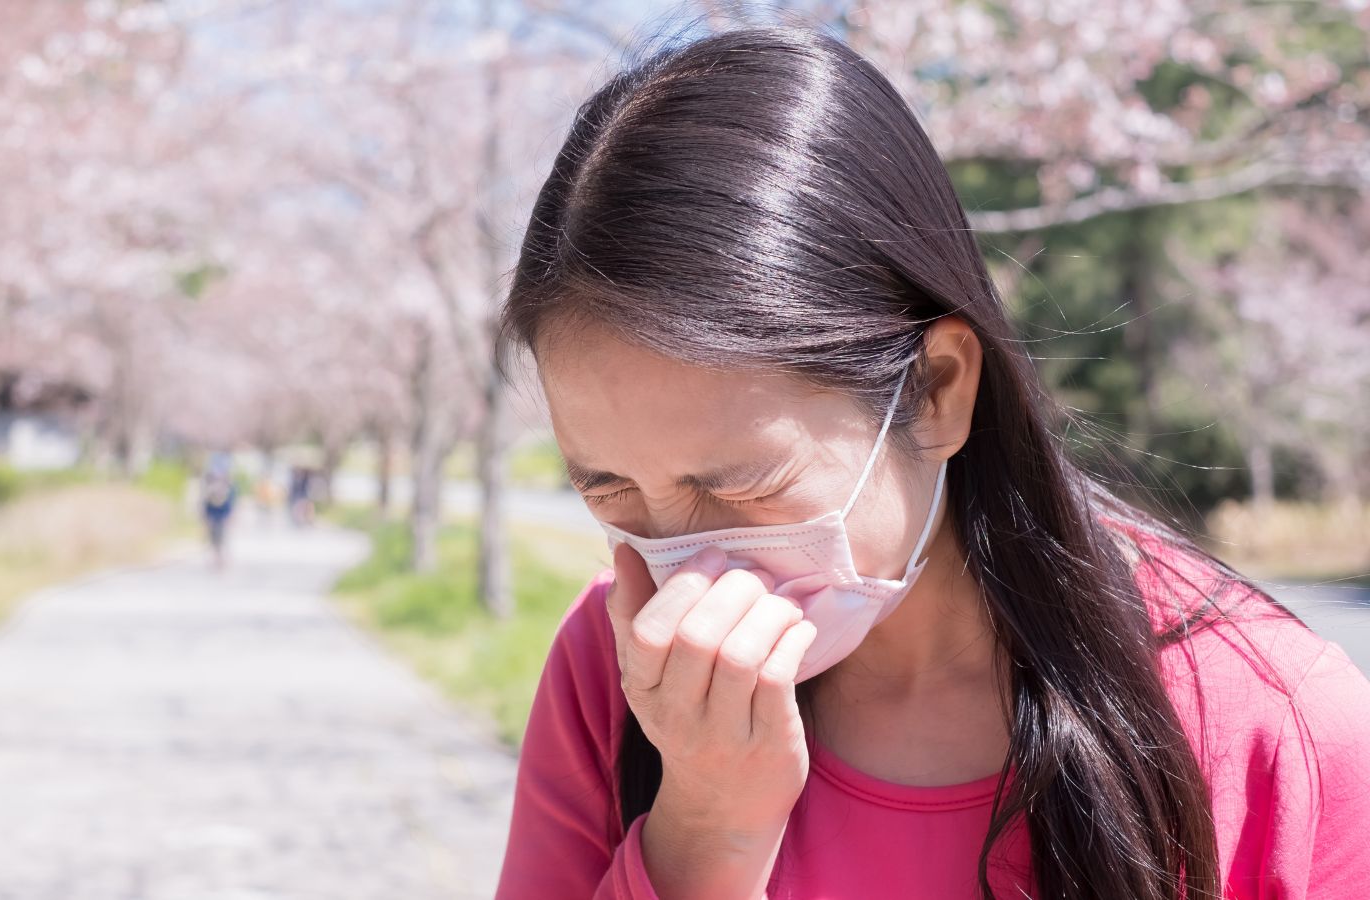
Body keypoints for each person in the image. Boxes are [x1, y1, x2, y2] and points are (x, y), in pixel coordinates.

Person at [493, 26, 1370, 900]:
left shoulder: (1271, 721)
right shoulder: (611, 676)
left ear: (938, 389)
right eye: (608, 490)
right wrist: (707, 832)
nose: (688, 578)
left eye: (736, 484)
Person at [200, 452, 237, 570]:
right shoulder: (210, 492)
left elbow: (228, 507)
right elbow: (206, 506)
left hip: (220, 519)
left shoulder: (225, 491)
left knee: (221, 540)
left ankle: (221, 559)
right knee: (214, 541)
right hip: (214, 519)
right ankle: (217, 559)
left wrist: (230, 517)